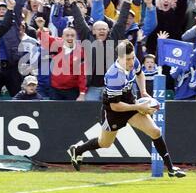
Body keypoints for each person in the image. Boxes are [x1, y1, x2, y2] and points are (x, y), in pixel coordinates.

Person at [68, 40, 186, 178]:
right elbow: (115, 106)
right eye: (128, 59)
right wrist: (138, 106)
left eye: (132, 57)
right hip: (113, 112)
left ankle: (171, 169)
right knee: (105, 143)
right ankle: (77, 150)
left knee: (155, 131)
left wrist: (143, 91)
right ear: (119, 58)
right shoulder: (114, 75)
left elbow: (140, 73)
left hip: (130, 102)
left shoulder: (134, 61)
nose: (132, 62)